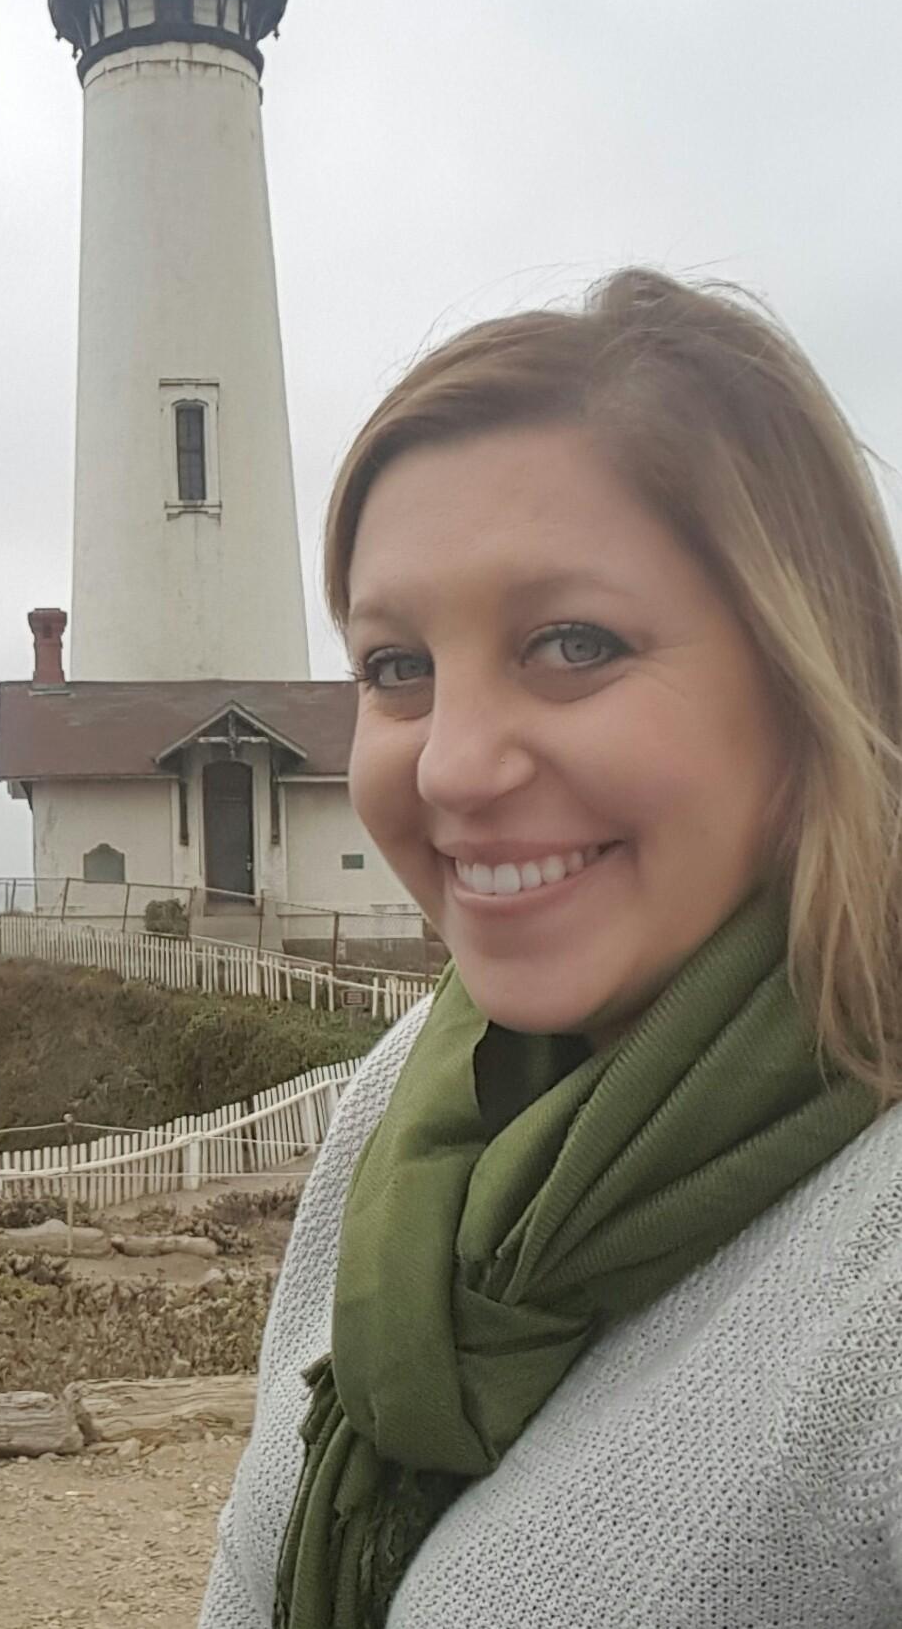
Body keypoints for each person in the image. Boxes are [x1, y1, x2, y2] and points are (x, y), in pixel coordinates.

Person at [201, 270, 902, 1628]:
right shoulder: (416, 1096)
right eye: (396, 666)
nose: (452, 767)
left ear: (808, 674)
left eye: (571, 643)